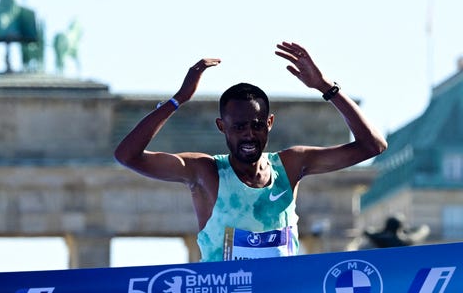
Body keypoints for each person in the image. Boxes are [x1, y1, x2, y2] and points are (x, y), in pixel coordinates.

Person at [113, 41, 387, 261]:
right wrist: (177, 99)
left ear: (270, 123)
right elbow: (127, 155)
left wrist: (327, 87)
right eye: (239, 126)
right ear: (222, 127)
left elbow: (372, 145)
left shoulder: (290, 166)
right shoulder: (206, 172)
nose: (248, 134)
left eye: (257, 126)